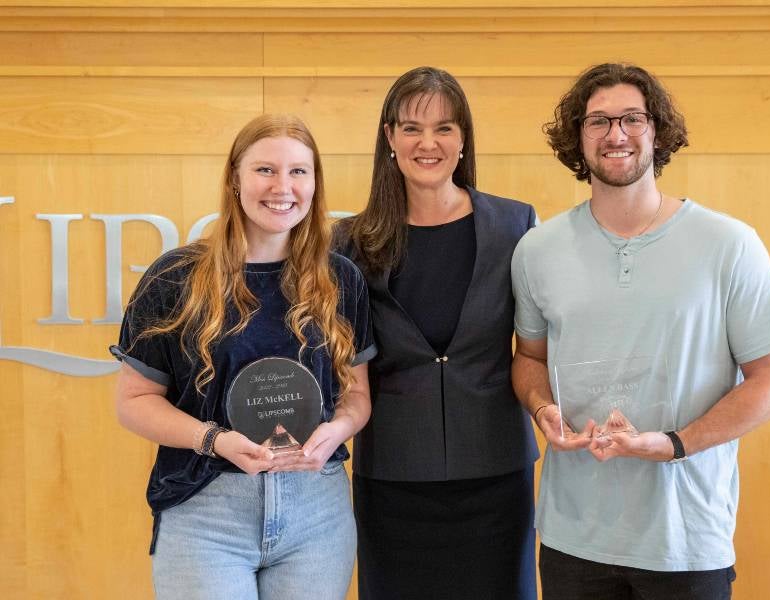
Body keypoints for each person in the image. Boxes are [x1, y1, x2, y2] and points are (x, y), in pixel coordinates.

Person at [511, 63, 770, 600]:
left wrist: (672, 445)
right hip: (573, 535)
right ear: (577, 138)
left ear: (657, 131)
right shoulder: (537, 250)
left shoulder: (730, 245)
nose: (616, 134)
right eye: (598, 121)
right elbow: (528, 358)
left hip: (686, 538)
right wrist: (541, 408)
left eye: (632, 118)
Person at [110, 114, 375, 600]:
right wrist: (216, 440)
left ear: (315, 183)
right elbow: (134, 400)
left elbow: (356, 394)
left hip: (316, 509)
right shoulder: (175, 277)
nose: (283, 187)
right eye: (265, 170)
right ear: (234, 178)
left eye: (299, 171)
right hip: (206, 508)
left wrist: (337, 430)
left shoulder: (341, 279)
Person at [334, 66, 539, 600]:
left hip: (495, 472)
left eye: (445, 128)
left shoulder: (516, 226)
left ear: (464, 138)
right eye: (411, 128)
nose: (428, 143)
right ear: (389, 138)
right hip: (393, 475)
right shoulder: (349, 241)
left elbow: (538, 344)